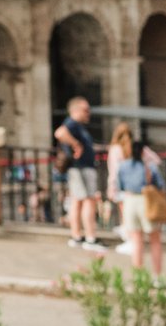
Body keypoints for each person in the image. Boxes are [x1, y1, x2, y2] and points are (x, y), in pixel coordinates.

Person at [108, 122, 166, 273]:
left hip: (129, 200)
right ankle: (157, 275)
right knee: (155, 240)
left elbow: (118, 183)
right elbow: (161, 184)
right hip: (146, 200)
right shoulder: (149, 167)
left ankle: (138, 275)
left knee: (136, 240)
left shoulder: (123, 165)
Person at [57, 96, 107, 251]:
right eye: (85, 110)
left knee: (78, 201)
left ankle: (77, 236)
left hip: (80, 167)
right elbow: (59, 133)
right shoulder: (71, 123)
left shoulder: (78, 126)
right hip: (81, 168)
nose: (88, 113)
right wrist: (76, 144)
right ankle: (90, 238)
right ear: (75, 110)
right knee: (88, 200)